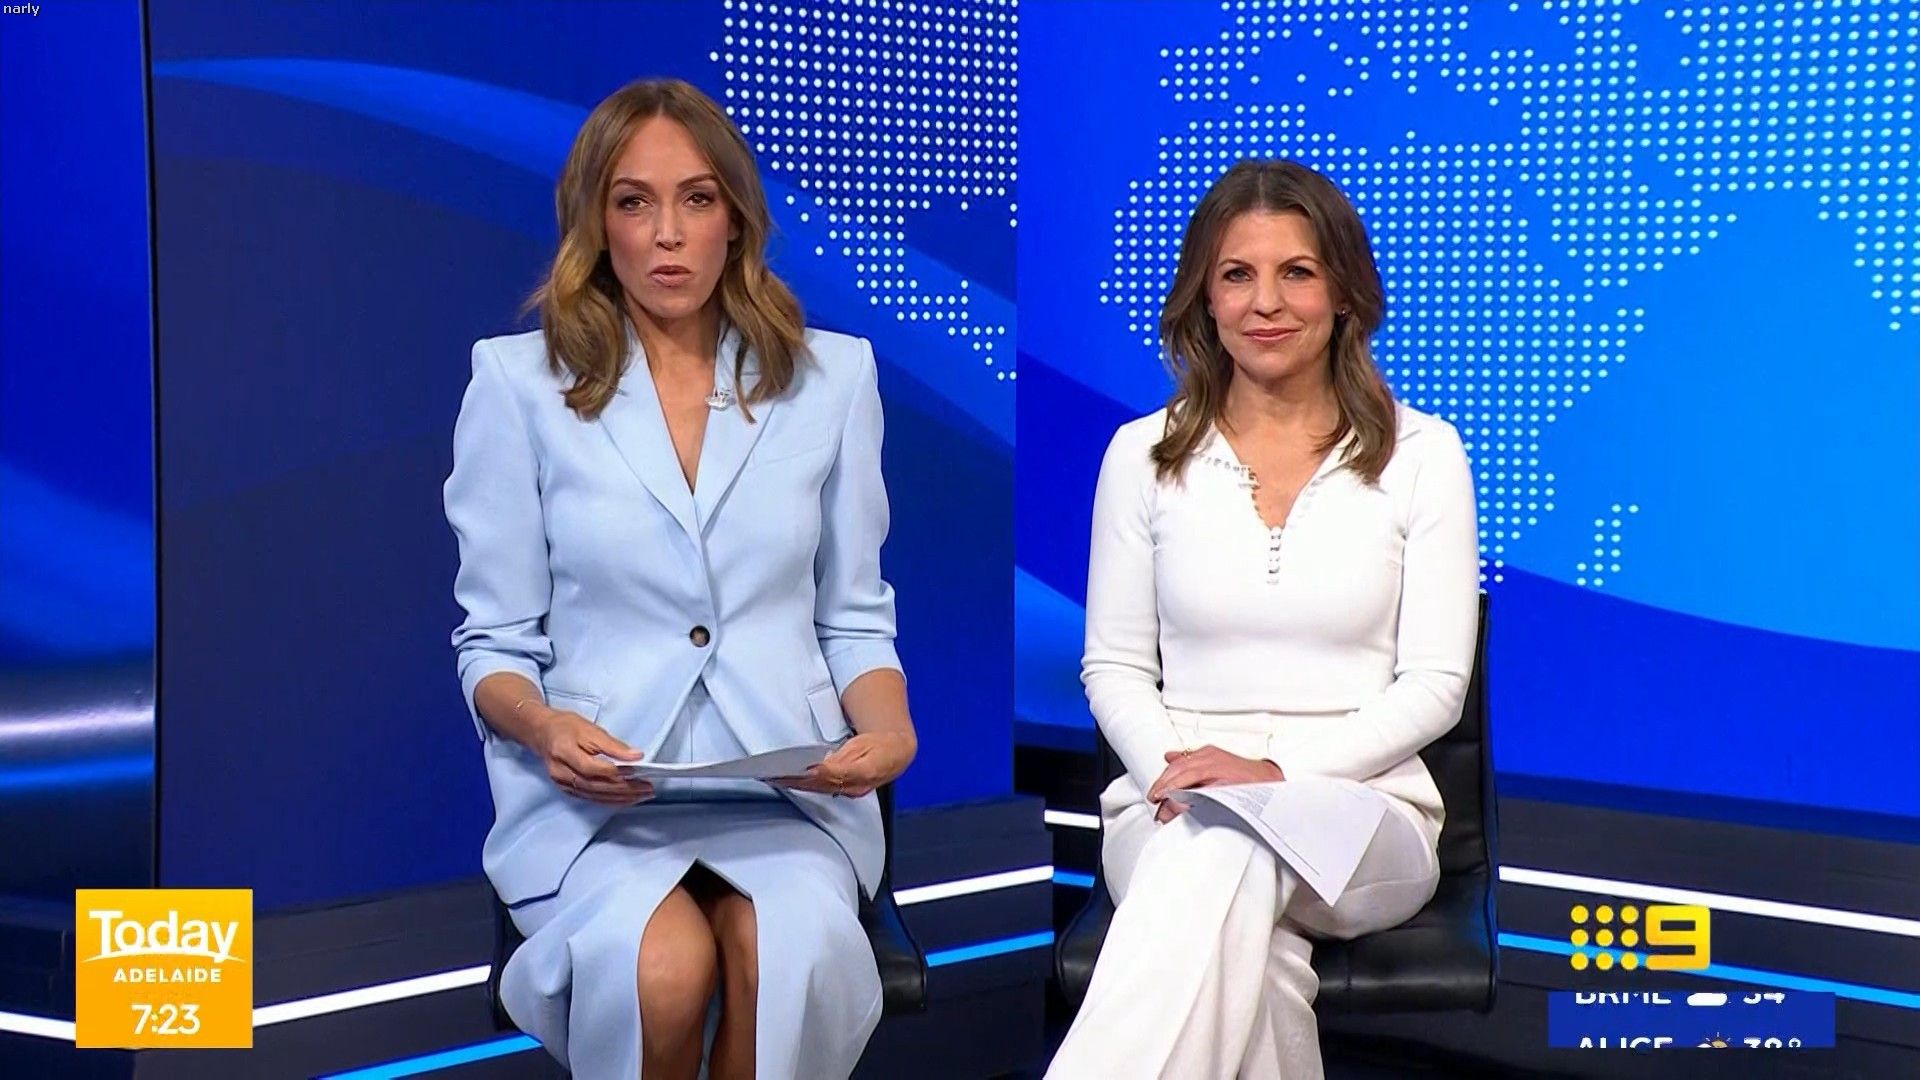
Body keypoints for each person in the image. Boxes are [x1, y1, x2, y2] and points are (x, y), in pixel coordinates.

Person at [443, 77, 916, 1080]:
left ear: (734, 219)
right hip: (595, 804)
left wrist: (891, 733)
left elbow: (853, 619)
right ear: (595, 222)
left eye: (696, 199)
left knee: (778, 956)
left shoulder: (833, 380)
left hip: (788, 797)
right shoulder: (516, 384)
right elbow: (494, 643)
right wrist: (543, 727)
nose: (668, 234)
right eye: (635, 202)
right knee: (661, 968)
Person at [1046, 159, 1480, 1079]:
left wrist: (1277, 775)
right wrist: (1178, 775)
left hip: (1364, 809)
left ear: (1343, 292)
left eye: (1298, 272)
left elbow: (1437, 686)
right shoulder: (1141, 455)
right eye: (1238, 274)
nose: (1266, 302)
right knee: (1248, 929)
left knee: (1227, 858)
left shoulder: (1424, 456)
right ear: (1204, 297)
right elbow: (1114, 666)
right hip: (1172, 802)